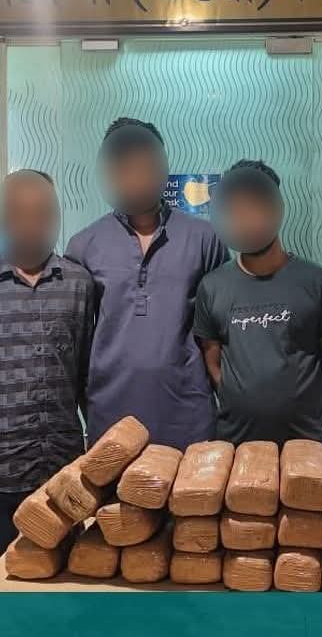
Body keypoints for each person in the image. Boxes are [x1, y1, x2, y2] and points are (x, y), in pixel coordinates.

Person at [0, 170, 93, 579]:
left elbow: (86, 378)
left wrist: (95, 457)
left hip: (61, 466)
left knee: (65, 576)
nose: (29, 225)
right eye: (17, 214)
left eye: (41, 214)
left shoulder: (78, 284)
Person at [65, 118, 229, 450]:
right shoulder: (83, 245)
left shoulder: (204, 238)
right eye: (124, 165)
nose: (135, 174)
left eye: (144, 163)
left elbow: (221, 333)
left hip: (189, 416)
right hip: (111, 418)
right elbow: (76, 345)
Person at [193, 160, 322, 445]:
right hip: (235, 443)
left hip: (305, 444)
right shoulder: (212, 286)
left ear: (275, 208)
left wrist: (314, 410)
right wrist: (237, 397)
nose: (246, 216)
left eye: (255, 205)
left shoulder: (318, 281)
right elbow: (211, 357)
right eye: (236, 208)